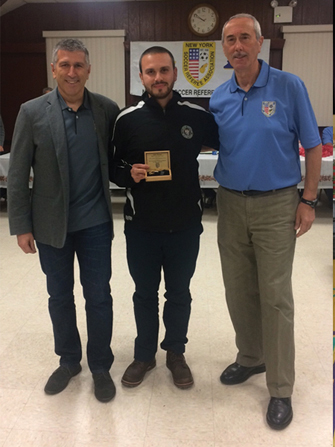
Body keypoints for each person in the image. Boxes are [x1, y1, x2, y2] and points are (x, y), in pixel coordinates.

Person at [209, 13, 322, 430]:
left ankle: (280, 388)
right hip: (230, 204)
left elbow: (312, 147)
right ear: (225, 49)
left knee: (275, 297)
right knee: (238, 291)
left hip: (278, 205)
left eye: (244, 38)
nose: (237, 46)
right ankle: (251, 358)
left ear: (260, 42)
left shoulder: (289, 86)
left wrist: (308, 200)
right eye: (230, 40)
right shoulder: (219, 96)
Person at [8, 39, 119, 402]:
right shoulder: (31, 111)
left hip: (96, 224)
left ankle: (100, 365)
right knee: (59, 296)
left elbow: (118, 160)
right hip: (50, 224)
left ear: (89, 70)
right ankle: (69, 360)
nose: (72, 72)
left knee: (99, 296)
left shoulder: (106, 109)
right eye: (65, 65)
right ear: (54, 69)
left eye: (79, 65)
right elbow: (18, 171)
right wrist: (21, 225)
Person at [111, 46, 219, 389]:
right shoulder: (126, 119)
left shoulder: (197, 116)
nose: (158, 78)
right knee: (144, 293)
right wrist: (131, 174)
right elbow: (112, 167)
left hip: (186, 226)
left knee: (179, 293)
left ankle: (175, 353)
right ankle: (144, 355)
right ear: (141, 77)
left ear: (175, 73)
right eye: (150, 72)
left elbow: (230, 144)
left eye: (163, 70)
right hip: (141, 226)